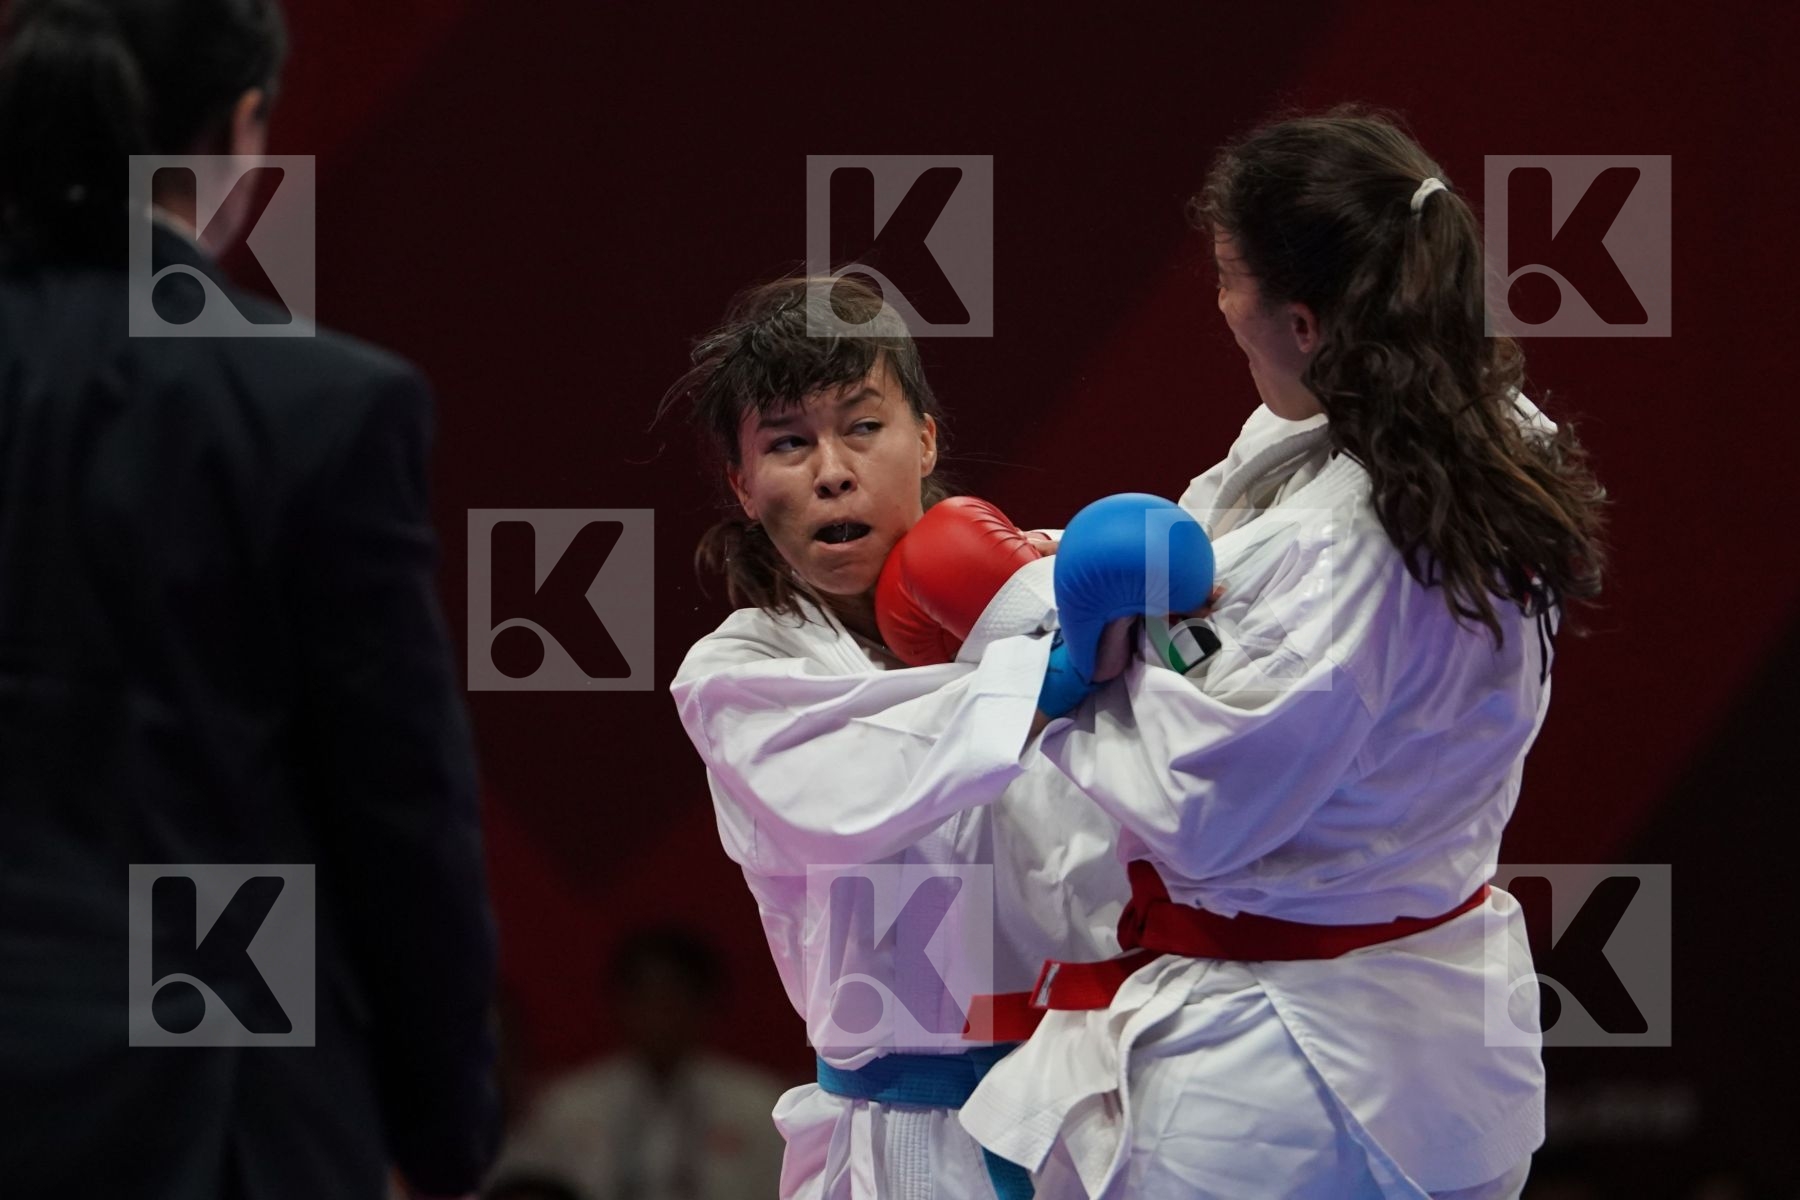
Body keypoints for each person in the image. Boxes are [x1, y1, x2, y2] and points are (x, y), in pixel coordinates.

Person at [957, 108, 1610, 1199]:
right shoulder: (1475, 432)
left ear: (1303, 322)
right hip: (1432, 1039)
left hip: (1288, 1086)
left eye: (1227, 277)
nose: (1220, 307)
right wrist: (1075, 568)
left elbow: (1202, 805)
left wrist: (1062, 675)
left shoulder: (1355, 542)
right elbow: (1222, 565)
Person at [0, 2, 499, 1197]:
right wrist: (443, 1129)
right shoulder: (318, 403)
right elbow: (399, 812)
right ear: (242, 125)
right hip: (211, 1105)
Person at [661, 276, 1129, 1200]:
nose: (832, 470)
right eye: (788, 443)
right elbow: (865, 785)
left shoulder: (1056, 585)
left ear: (925, 440)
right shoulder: (737, 676)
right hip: (910, 1143)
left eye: (863, 427)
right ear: (744, 486)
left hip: (1099, 1110)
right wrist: (1049, 676)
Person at [489, 926, 788, 1200]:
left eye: (673, 998)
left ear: (706, 1004)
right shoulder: (566, 1106)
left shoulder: (762, 1106)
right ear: (619, 1005)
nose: (659, 1016)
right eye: (646, 998)